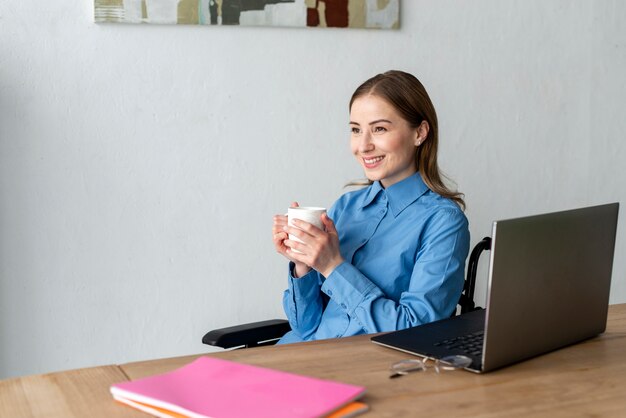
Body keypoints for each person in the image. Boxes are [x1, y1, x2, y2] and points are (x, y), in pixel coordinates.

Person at [272, 70, 470, 343]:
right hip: (300, 352)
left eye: (379, 129)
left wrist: (333, 266)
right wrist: (302, 264)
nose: (363, 146)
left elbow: (417, 330)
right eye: (355, 130)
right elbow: (305, 326)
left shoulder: (443, 222)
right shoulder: (346, 207)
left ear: (420, 133)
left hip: (364, 369)